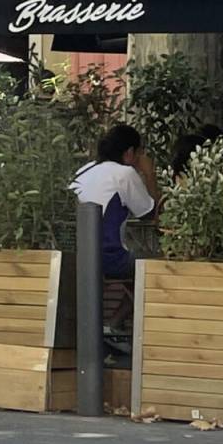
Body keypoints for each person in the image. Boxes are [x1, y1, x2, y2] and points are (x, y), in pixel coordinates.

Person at [70, 125, 158, 330]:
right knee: (156, 265)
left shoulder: (84, 170)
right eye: (139, 153)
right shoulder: (124, 173)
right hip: (109, 257)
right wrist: (149, 174)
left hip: (76, 254)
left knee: (137, 266)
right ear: (129, 152)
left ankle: (112, 325)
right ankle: (115, 323)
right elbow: (150, 213)